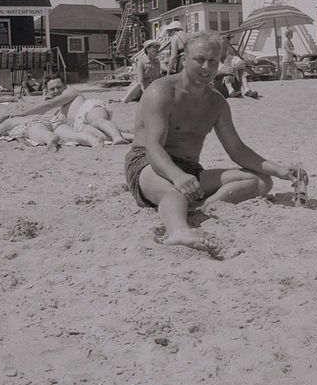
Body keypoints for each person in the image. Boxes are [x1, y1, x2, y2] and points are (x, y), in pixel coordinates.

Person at [124, 32, 298, 250]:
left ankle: (197, 207)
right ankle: (179, 231)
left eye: (213, 61)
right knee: (173, 191)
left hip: (189, 169)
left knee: (261, 182)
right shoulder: (162, 91)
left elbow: (237, 150)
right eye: (199, 59)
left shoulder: (216, 102)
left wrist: (279, 170)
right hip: (148, 164)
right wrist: (177, 176)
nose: (206, 67)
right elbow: (153, 147)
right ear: (184, 60)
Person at [0, 74, 129, 148]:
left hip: (89, 109)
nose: (56, 91)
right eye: (52, 89)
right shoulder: (58, 112)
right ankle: (130, 137)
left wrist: (22, 114)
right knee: (99, 134)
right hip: (80, 125)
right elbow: (46, 116)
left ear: (65, 86)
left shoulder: (70, 92)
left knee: (98, 120)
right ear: (46, 90)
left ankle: (118, 138)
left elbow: (49, 105)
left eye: (59, 87)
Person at [122, 39, 162, 103]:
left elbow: (158, 78)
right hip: (140, 89)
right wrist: (145, 92)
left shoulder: (157, 61)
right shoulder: (141, 62)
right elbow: (140, 81)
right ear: (147, 49)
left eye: (158, 47)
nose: (157, 49)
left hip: (152, 87)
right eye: (154, 47)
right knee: (137, 85)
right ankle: (124, 101)